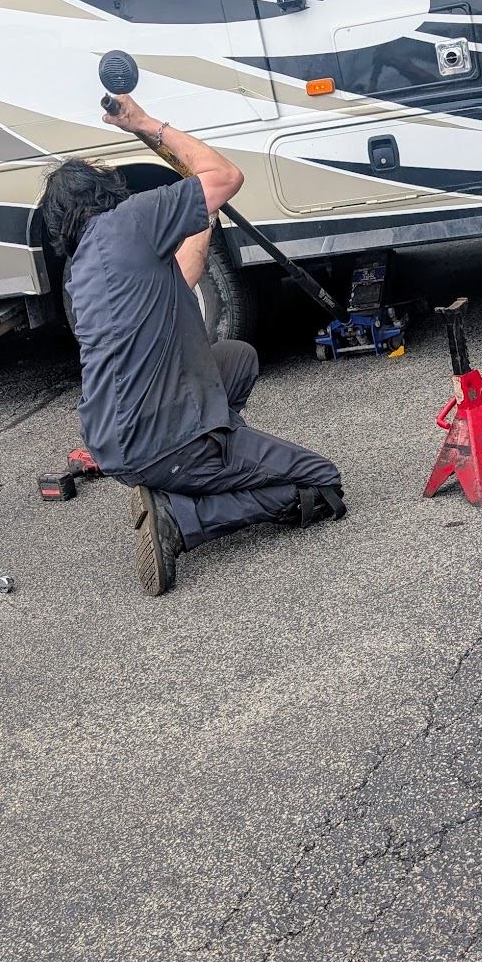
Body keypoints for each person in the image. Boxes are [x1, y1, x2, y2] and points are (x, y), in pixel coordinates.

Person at [40, 93, 344, 596]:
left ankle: (211, 465)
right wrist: (144, 124)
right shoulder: (132, 220)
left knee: (237, 358)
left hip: (115, 441)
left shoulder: (86, 267)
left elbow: (186, 271)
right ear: (103, 191)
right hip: (164, 440)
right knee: (322, 483)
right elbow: (224, 175)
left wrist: (204, 216)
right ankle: (182, 517)